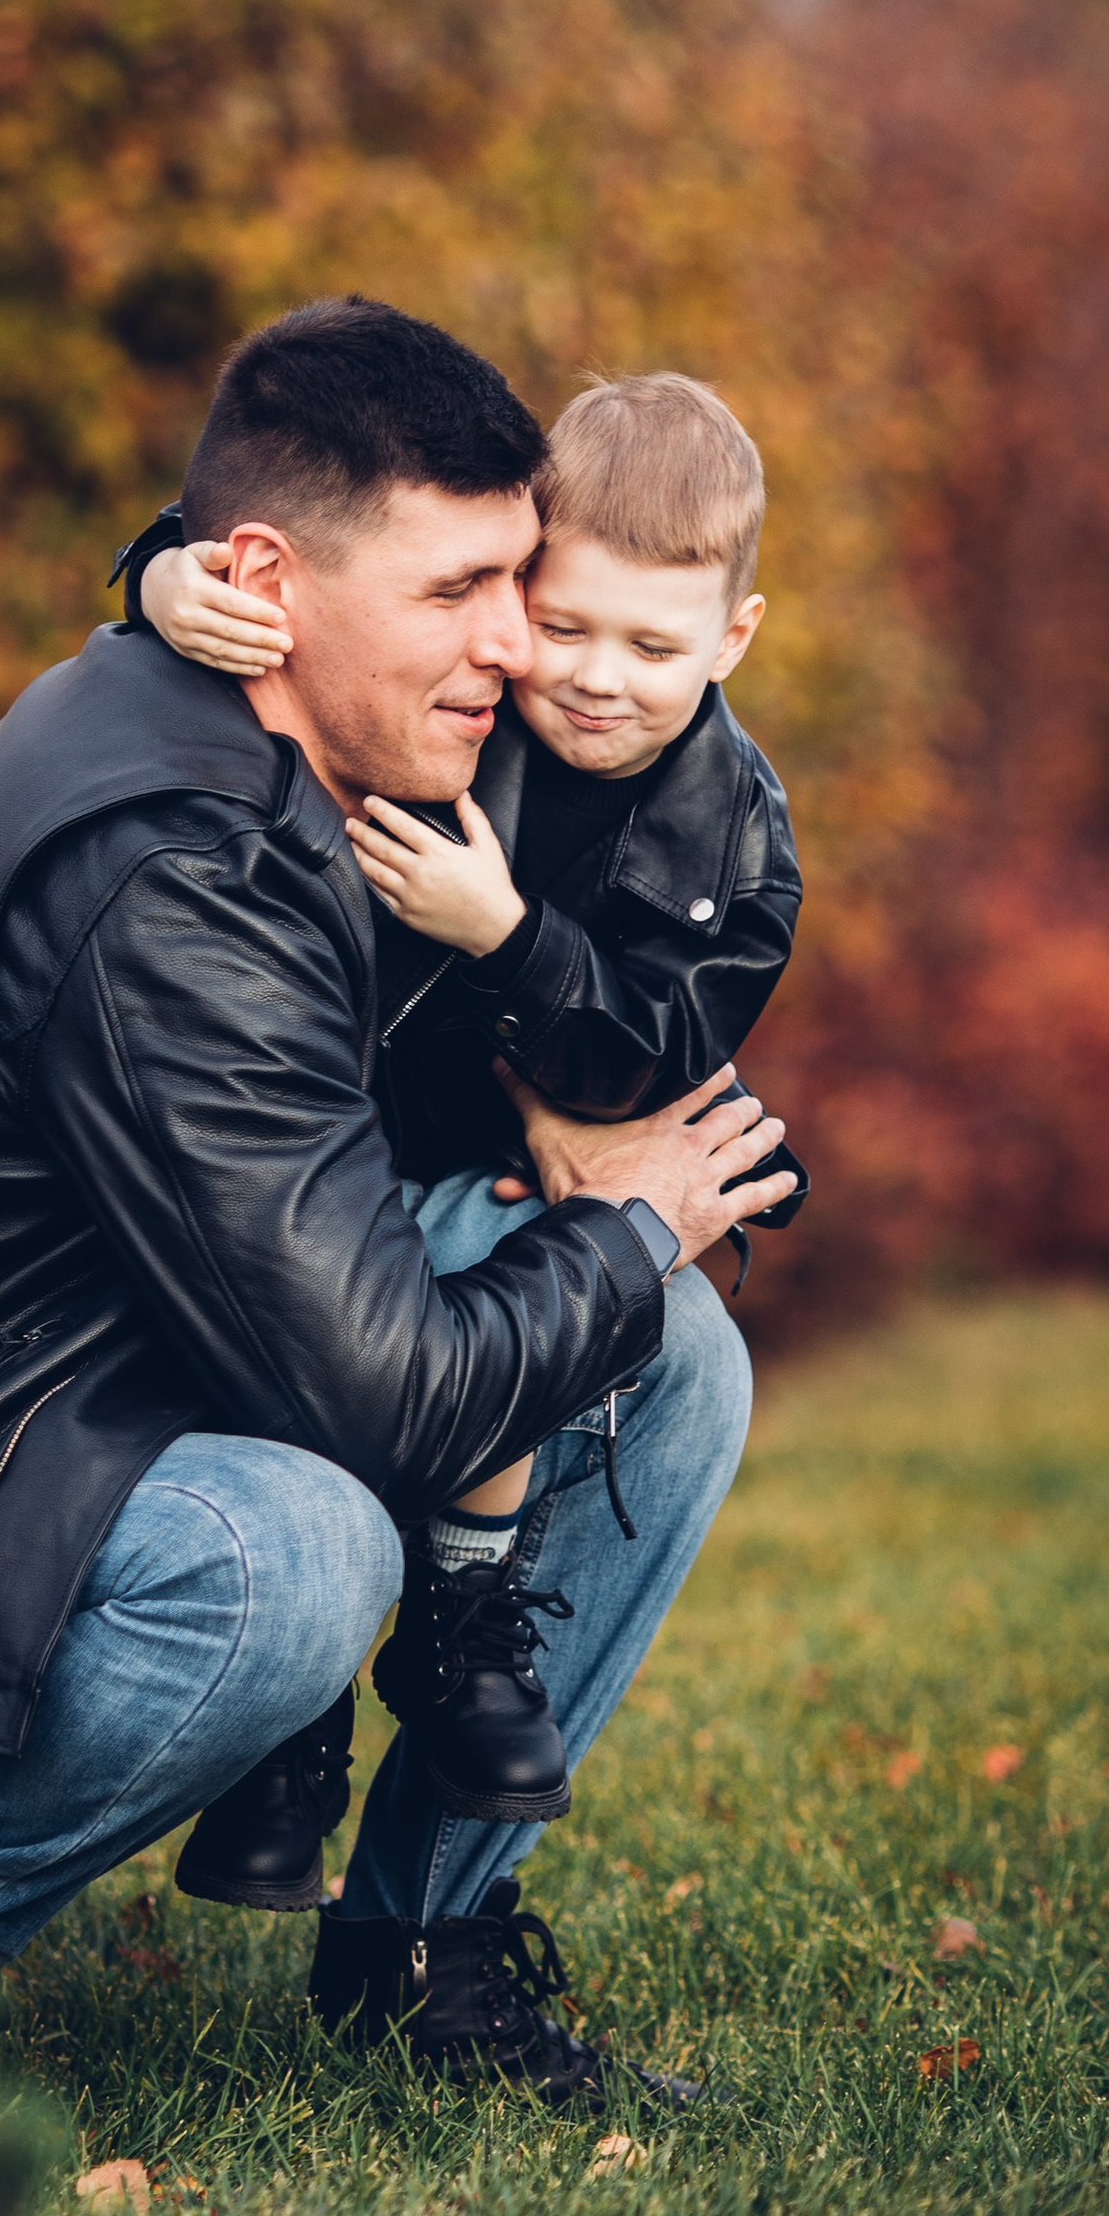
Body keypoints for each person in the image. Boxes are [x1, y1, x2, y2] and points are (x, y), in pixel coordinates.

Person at [0, 300, 795, 2106]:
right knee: (294, 1553)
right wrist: (636, 1213)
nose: (518, 644)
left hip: (38, 1417)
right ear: (269, 587)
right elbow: (385, 1393)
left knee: (668, 1354)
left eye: (516, 581)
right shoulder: (169, 871)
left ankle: (421, 1959)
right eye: (459, 591)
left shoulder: (311, 739)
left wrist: (583, 1150)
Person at [132, 372, 805, 1888]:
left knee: (547, 1273)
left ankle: (456, 1617)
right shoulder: (463, 683)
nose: (596, 677)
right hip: (321, 1135)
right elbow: (303, 564)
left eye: (655, 645)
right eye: (562, 623)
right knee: (318, 1308)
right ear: (514, 594)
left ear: (733, 639)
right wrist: (165, 574)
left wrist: (509, 936)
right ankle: (290, 1726)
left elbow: (653, 1058)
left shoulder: (737, 841)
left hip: (491, 1178)